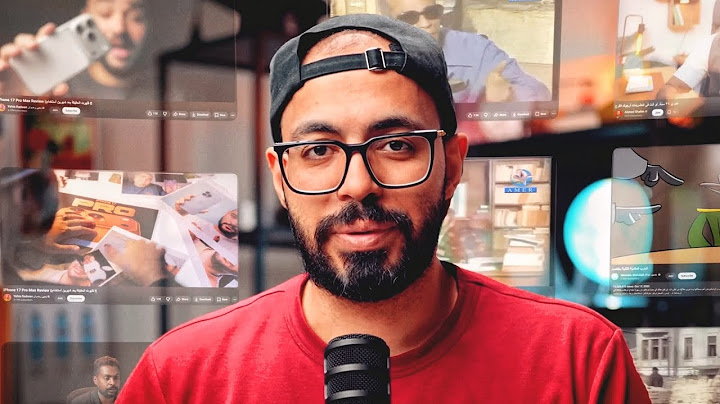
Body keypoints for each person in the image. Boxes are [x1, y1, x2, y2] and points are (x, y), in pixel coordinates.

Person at [116, 14, 650, 403]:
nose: (358, 186)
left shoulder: (578, 360)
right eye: (318, 151)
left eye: (396, 145)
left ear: (452, 166)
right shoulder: (183, 377)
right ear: (280, 178)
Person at [384, 0, 551, 104]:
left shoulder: (476, 48)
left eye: (432, 12)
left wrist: (509, 96)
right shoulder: (379, 56)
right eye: (410, 17)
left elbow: (540, 93)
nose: (426, 23)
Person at [0, 0, 152, 99]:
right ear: (84, 16)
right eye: (105, 13)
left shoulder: (165, 89)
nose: (119, 28)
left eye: (136, 17)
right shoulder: (57, 91)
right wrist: (9, 109)